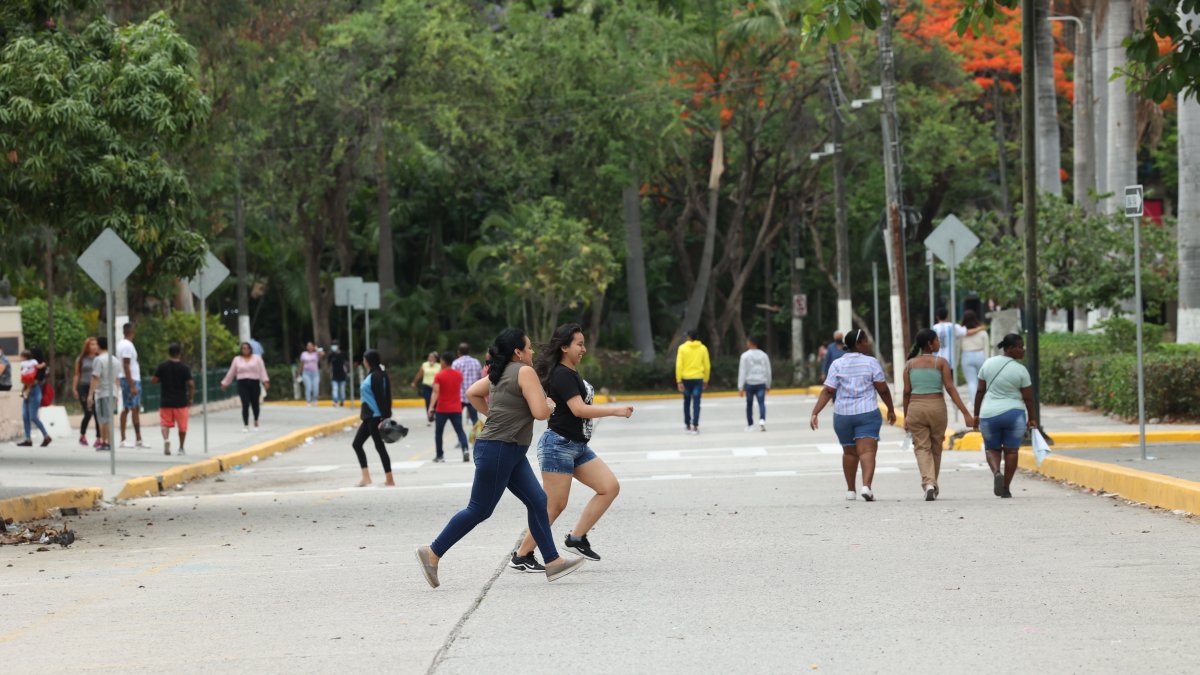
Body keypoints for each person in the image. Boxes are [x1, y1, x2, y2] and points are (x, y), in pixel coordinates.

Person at [416, 328, 586, 587]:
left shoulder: (499, 371)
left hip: (508, 450)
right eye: (528, 348)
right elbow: (541, 413)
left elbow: (472, 392)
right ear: (517, 352)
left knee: (538, 500)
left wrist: (493, 415)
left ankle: (552, 562)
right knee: (479, 509)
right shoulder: (524, 371)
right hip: (499, 450)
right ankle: (432, 552)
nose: (532, 352)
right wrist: (550, 405)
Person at [510, 324, 633, 572]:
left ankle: (576, 538)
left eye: (583, 343)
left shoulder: (570, 372)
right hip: (558, 445)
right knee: (554, 506)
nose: (584, 349)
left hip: (577, 446)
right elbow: (578, 410)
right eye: (579, 344)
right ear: (565, 347)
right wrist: (615, 410)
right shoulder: (562, 374)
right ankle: (522, 554)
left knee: (609, 487)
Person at [809, 329, 896, 501]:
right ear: (858, 344)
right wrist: (891, 409)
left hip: (843, 414)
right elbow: (883, 389)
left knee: (849, 452)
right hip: (867, 412)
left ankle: (850, 491)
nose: (868, 344)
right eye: (865, 341)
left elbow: (828, 391)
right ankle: (866, 487)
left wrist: (815, 412)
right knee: (867, 451)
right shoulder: (871, 363)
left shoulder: (837, 364)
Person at [902, 329, 976, 501]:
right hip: (937, 407)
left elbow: (906, 392)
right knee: (936, 447)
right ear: (930, 343)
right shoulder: (941, 362)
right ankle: (932, 484)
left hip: (916, 408)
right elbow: (950, 388)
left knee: (921, 447)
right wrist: (965, 413)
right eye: (937, 340)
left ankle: (929, 483)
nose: (939, 343)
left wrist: (906, 416)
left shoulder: (909, 364)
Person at [973, 333, 1037, 499]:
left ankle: (996, 473)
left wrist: (976, 415)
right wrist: (1032, 418)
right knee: (1011, 451)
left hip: (989, 415)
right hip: (1014, 415)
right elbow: (1028, 398)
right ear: (1009, 349)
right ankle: (1006, 487)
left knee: (991, 448)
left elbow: (980, 391)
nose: (1022, 350)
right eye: (1019, 347)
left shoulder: (988, 363)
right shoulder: (1021, 370)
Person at [354, 349, 395, 487]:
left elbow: (382, 397)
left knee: (379, 446)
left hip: (375, 417)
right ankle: (366, 478)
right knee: (357, 444)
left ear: (369, 361)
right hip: (369, 417)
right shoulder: (375, 374)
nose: (363, 362)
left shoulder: (376, 376)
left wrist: (384, 417)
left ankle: (390, 479)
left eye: (365, 359)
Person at [152, 343, 195, 456]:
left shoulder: (162, 366)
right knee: (182, 426)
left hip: (166, 401)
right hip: (181, 402)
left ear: (169, 353)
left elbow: (154, 380)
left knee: (165, 424)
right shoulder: (185, 368)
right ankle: (181, 447)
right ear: (179, 353)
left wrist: (162, 379)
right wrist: (190, 398)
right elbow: (191, 384)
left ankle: (166, 440)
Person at [220, 342, 270, 432]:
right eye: (243, 348)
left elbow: (262, 370)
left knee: (255, 403)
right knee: (245, 403)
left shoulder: (257, 358)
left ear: (250, 349)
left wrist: (265, 381)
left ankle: (256, 420)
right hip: (242, 383)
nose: (245, 350)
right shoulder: (237, 359)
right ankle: (246, 424)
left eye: (247, 348)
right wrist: (225, 383)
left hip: (254, 382)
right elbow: (231, 372)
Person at [429, 352, 470, 463]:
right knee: (460, 431)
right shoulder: (458, 375)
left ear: (443, 361)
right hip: (456, 408)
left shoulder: (439, 375)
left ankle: (440, 455)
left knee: (439, 433)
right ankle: (465, 449)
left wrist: (431, 407)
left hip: (442, 409)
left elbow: (435, 392)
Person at [115, 322, 147, 449]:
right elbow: (126, 364)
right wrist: (132, 384)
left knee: (135, 408)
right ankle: (124, 438)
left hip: (132, 379)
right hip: (131, 379)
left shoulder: (122, 344)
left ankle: (138, 438)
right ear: (131, 331)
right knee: (128, 408)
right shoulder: (127, 345)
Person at [675, 329, 710, 434]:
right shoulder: (703, 348)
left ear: (689, 337)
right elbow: (707, 365)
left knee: (686, 402)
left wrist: (679, 380)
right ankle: (695, 425)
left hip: (686, 379)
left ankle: (687, 424)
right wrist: (706, 379)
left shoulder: (682, 348)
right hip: (698, 379)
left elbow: (679, 365)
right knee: (696, 402)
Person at [87, 337, 120, 452]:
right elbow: (117, 379)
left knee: (103, 419)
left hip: (103, 393)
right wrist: (117, 393)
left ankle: (105, 442)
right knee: (109, 417)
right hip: (113, 392)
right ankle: (109, 442)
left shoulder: (99, 360)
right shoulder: (115, 360)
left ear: (99, 346)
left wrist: (90, 395)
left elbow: (95, 377)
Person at [932, 308, 986, 374]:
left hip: (936, 361)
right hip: (950, 361)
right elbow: (967, 332)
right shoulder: (953, 326)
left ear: (937, 317)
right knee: (950, 382)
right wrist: (979, 328)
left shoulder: (933, 328)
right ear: (947, 316)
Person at [16, 348, 50, 447]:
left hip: (34, 391)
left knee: (33, 417)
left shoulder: (39, 368)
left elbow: (35, 381)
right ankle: (28, 439)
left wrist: (27, 389)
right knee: (25, 416)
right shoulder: (29, 365)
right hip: (27, 390)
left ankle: (46, 436)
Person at [738, 336, 771, 432]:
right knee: (761, 403)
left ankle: (750, 424)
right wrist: (768, 384)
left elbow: (742, 372)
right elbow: (768, 371)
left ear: (750, 343)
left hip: (750, 383)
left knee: (749, 404)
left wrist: (740, 387)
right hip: (761, 382)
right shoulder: (764, 355)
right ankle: (762, 420)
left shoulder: (745, 356)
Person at [72, 337, 101, 447]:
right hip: (84, 386)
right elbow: (77, 374)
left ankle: (99, 437)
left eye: (96, 344)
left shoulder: (99, 358)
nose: (94, 346)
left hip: (96, 387)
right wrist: (74, 388)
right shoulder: (81, 359)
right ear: (87, 346)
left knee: (97, 413)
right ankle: (82, 435)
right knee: (88, 412)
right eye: (92, 344)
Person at [959, 310, 989, 401]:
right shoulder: (982, 332)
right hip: (980, 355)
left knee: (971, 382)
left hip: (967, 355)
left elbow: (959, 345)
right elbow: (986, 347)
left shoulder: (962, 333)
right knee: (982, 381)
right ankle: (982, 401)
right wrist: (987, 360)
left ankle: (973, 402)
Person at [451, 343, 483, 429]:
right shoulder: (476, 362)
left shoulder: (456, 363)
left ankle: (462, 440)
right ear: (469, 351)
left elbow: (453, 380)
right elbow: (480, 378)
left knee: (457, 419)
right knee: (475, 420)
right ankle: (477, 440)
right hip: (473, 394)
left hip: (460, 396)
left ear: (458, 352)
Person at [410, 351, 440, 425]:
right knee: (428, 401)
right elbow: (419, 374)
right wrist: (414, 382)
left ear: (436, 358)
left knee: (436, 402)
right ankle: (429, 418)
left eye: (432, 357)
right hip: (426, 386)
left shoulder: (439, 366)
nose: (430, 358)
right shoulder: (425, 365)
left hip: (436, 387)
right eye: (429, 357)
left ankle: (435, 414)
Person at [299, 341, 322, 406]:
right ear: (306, 347)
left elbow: (322, 354)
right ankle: (308, 401)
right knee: (308, 387)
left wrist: (317, 349)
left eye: (311, 346)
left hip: (315, 373)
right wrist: (299, 372)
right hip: (306, 373)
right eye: (308, 346)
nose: (309, 347)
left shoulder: (316, 354)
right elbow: (301, 364)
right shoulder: (304, 354)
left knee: (316, 388)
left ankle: (315, 400)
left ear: (313, 346)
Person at [328, 340, 349, 407]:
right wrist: (329, 371)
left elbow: (347, 362)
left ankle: (342, 401)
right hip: (334, 375)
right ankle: (335, 401)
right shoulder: (331, 355)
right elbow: (328, 364)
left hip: (342, 375)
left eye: (335, 345)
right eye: (332, 345)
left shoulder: (343, 354)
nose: (333, 347)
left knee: (342, 391)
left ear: (338, 346)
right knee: (335, 389)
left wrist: (347, 370)